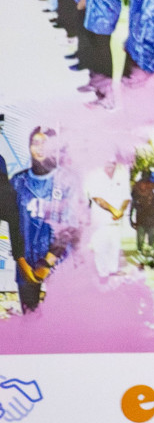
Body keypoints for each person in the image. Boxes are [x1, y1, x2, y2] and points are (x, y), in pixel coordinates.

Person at [10, 128, 68, 312]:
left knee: (58, 325)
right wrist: (21, 261)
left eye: (46, 143)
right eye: (35, 143)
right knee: (29, 322)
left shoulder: (65, 181)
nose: (40, 148)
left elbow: (68, 228)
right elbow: (14, 224)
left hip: (58, 265)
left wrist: (46, 264)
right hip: (25, 265)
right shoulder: (18, 181)